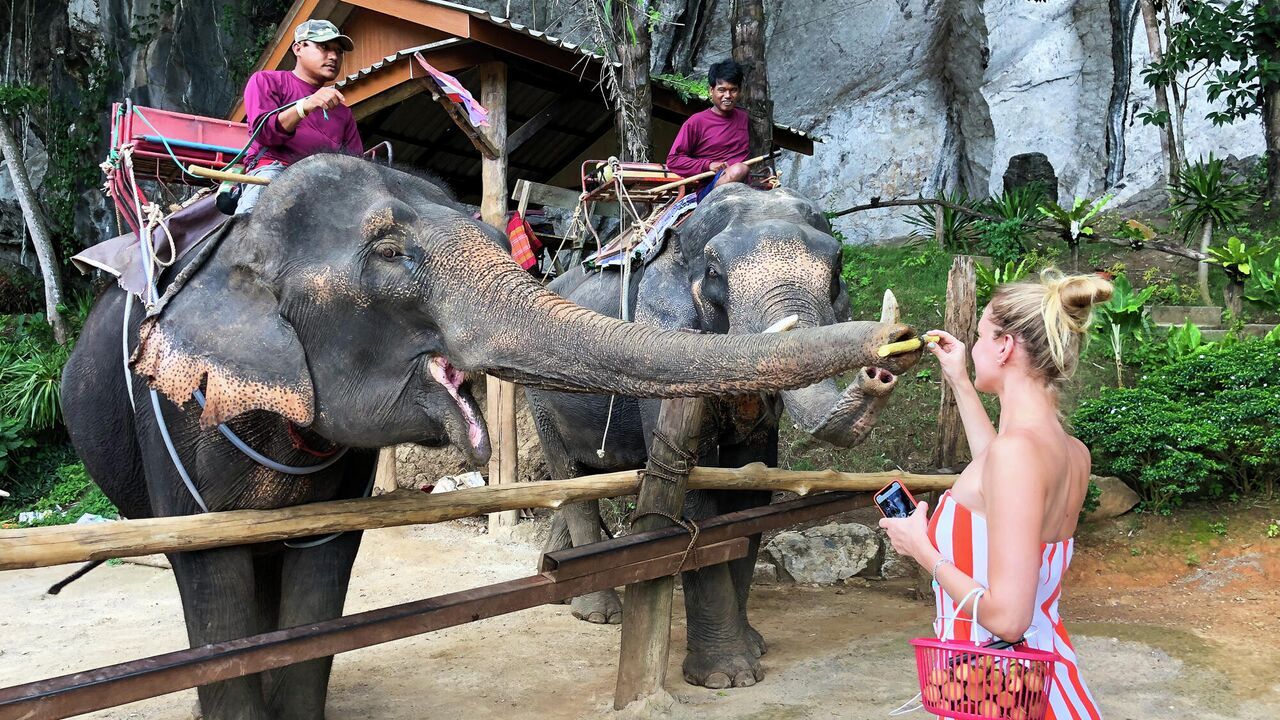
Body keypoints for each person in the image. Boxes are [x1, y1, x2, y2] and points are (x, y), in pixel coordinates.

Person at [879, 269, 1110, 720]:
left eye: (982, 336)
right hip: (1037, 682)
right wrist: (961, 380)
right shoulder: (1068, 451)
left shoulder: (1017, 455)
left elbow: (1008, 620)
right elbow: (997, 485)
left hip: (1001, 688)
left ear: (1005, 347)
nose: (977, 345)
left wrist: (922, 550)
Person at [235, 19, 364, 214]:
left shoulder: (343, 112)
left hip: (325, 185)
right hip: (275, 171)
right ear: (298, 48)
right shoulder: (267, 81)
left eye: (338, 51)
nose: (334, 56)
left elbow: (356, 164)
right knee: (248, 224)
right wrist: (305, 105)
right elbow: (265, 134)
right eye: (324, 47)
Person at [665, 60, 751, 188]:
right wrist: (708, 165)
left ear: (739, 92)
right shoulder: (696, 122)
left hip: (744, 188)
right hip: (711, 188)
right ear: (711, 90)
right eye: (722, 90)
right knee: (739, 169)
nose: (728, 96)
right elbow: (673, 160)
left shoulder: (744, 118)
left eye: (733, 90)